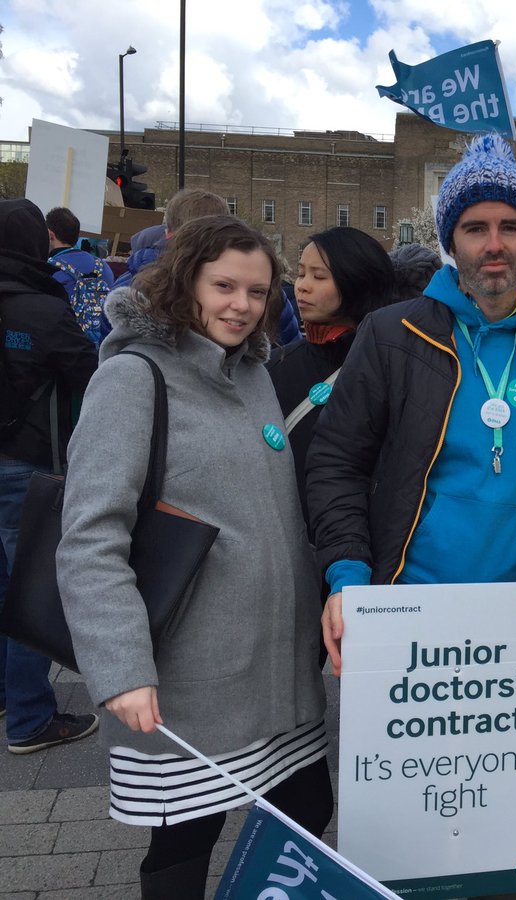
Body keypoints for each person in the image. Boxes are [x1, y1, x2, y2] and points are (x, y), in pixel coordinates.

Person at [307, 137, 516, 899]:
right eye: (476, 227)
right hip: (404, 612)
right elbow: (337, 460)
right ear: (452, 239)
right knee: (400, 834)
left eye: (510, 226)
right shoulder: (394, 332)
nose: (494, 244)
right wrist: (345, 575)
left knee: (500, 833)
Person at [57, 216, 330, 899]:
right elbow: (91, 535)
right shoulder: (132, 378)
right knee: (184, 843)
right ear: (186, 282)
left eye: (258, 291)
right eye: (224, 286)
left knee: (305, 812)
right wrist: (119, 667)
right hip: (190, 680)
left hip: (279, 673)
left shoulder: (256, 373)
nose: (241, 305)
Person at [0, 198, 99, 755]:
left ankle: (6, 693)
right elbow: (90, 372)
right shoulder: (42, 306)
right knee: (29, 589)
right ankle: (31, 718)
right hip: (27, 463)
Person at [267, 226, 396, 525]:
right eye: (301, 273)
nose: (302, 286)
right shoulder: (275, 363)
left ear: (358, 282)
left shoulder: (389, 368)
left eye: (319, 276)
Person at [46, 206, 116, 345]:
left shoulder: (49, 269)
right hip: (102, 347)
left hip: (65, 346)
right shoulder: (103, 267)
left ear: (50, 235)